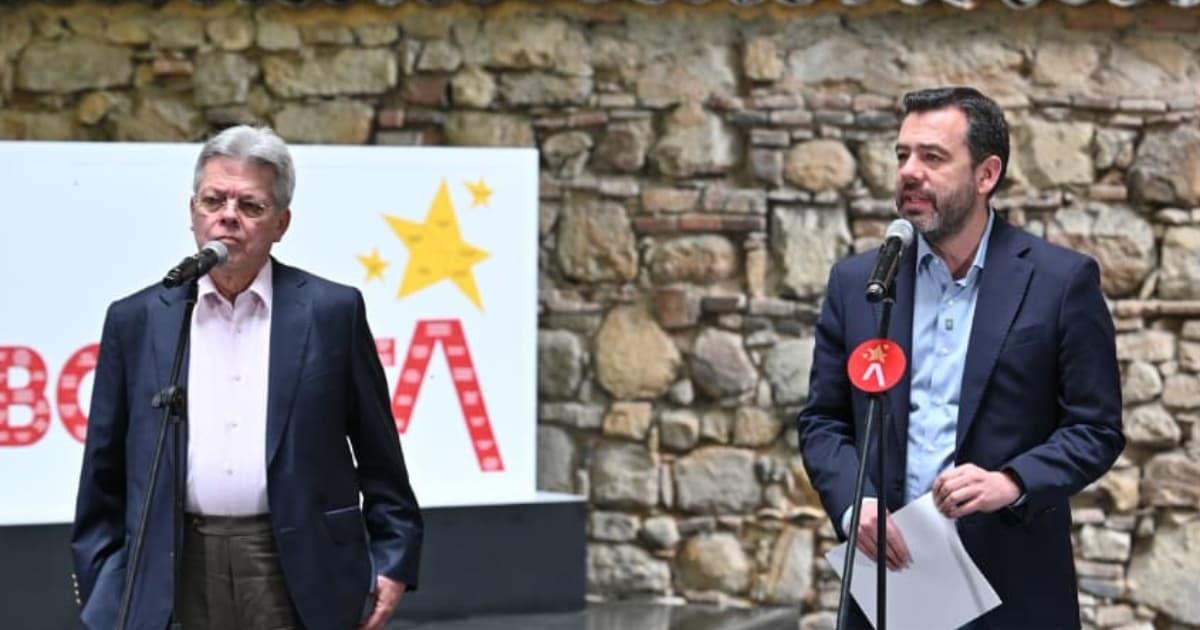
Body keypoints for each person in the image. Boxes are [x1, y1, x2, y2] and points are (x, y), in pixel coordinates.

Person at [71, 125, 423, 630]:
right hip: (171, 564)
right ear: (193, 211)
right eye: (214, 200)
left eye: (250, 206)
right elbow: (102, 470)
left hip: (296, 564)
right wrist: (102, 580)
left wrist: (392, 561)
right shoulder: (138, 319)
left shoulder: (331, 312)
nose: (228, 217)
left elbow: (381, 456)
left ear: (281, 223)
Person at [797, 87, 1124, 628]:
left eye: (932, 157)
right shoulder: (861, 284)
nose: (909, 172)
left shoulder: (1060, 282)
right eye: (902, 155)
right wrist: (858, 507)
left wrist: (1012, 482)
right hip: (891, 582)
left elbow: (1096, 428)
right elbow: (823, 420)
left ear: (986, 174)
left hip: (1011, 585)